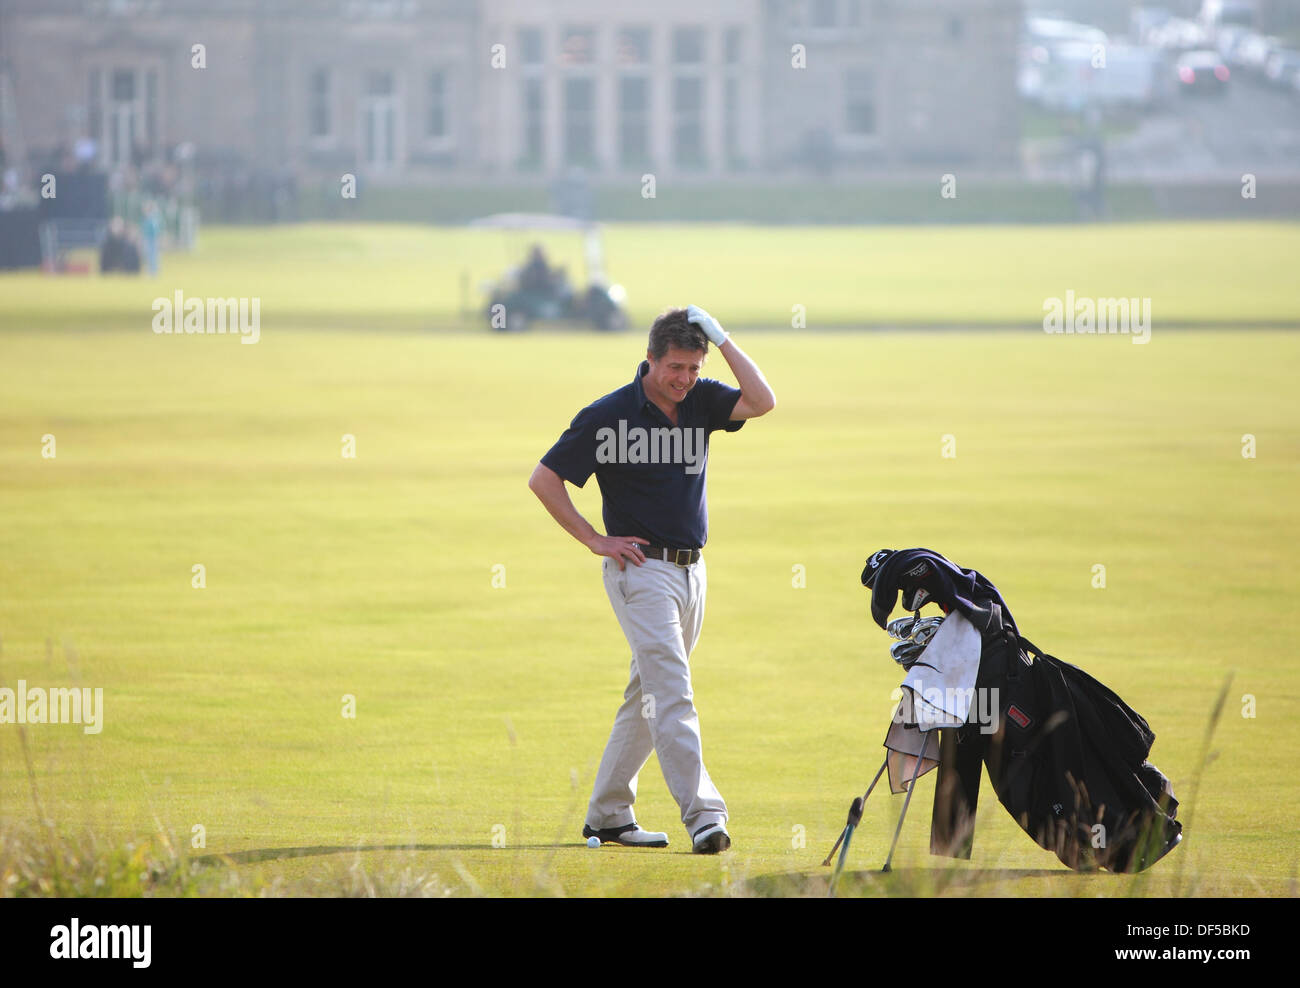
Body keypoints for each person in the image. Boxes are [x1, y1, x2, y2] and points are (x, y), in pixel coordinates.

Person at [528, 305, 776, 853]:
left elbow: (762, 401)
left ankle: (609, 815)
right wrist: (595, 538)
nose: (685, 379)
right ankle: (705, 816)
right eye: (676, 368)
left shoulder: (704, 399)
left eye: (694, 366)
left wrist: (723, 338)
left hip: (693, 572)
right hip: (640, 574)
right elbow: (544, 478)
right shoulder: (608, 414)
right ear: (650, 361)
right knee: (672, 695)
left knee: (648, 694)